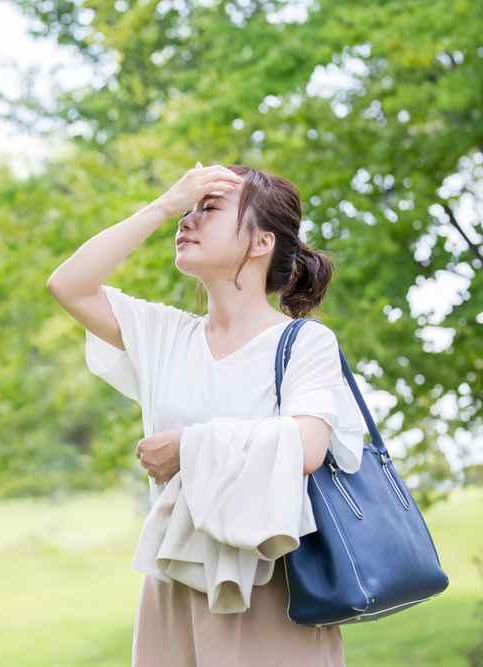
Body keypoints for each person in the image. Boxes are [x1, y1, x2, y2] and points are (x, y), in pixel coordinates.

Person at [46, 162, 367, 666]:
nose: (187, 221)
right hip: (174, 574)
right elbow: (69, 285)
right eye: (186, 210)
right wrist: (164, 205)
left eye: (209, 209)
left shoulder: (303, 341)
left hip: (271, 577)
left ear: (261, 242)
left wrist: (188, 447)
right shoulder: (164, 335)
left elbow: (307, 447)